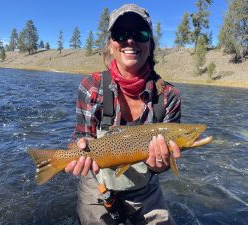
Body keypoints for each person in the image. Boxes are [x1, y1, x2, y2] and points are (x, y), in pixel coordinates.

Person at [65, 3, 182, 225]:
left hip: (145, 190)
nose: (130, 40)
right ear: (110, 44)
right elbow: (80, 135)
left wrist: (161, 165)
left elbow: (166, 161)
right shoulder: (91, 86)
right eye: (121, 34)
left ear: (150, 43)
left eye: (140, 33)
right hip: (97, 185)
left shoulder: (169, 96)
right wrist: (79, 147)